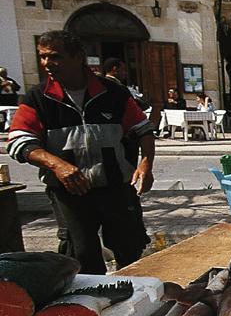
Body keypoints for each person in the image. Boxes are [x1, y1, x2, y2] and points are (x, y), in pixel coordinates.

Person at [7, 30, 154, 274]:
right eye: (42, 57)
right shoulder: (38, 97)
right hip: (69, 193)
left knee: (130, 250)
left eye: (55, 57)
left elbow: (142, 129)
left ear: (78, 57)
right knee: (82, 254)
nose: (47, 64)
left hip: (116, 187)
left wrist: (146, 164)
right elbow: (19, 141)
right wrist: (56, 165)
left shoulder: (113, 93)